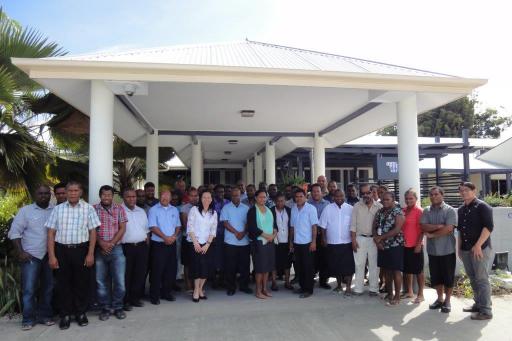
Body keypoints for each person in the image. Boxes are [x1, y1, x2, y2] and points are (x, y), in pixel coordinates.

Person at [46, 181, 99, 330]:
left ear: (81, 192)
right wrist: (51, 256)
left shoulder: (88, 209)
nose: (73, 193)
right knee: (63, 284)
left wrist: (90, 253)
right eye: (70, 191)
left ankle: (80, 313)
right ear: (66, 192)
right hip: (61, 251)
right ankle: (65, 315)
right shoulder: (58, 209)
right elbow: (51, 233)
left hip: (81, 250)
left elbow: (93, 232)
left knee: (81, 283)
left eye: (76, 190)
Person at [8, 185, 54, 330]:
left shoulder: (55, 210)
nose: (44, 196)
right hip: (31, 256)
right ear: (35, 194)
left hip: (50, 256)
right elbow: (14, 233)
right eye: (41, 193)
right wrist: (20, 252)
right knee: (29, 289)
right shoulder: (25, 211)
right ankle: (28, 319)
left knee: (48, 288)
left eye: (47, 193)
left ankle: (44, 316)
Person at [457, 182, 494, 320]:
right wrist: (459, 249)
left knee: (481, 279)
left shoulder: (483, 206)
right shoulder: (461, 209)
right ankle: (478, 304)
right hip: (466, 249)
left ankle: (486, 311)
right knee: (473, 278)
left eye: (466, 190)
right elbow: (460, 231)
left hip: (480, 249)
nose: (463, 193)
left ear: (474, 191)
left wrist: (478, 245)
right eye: (461, 191)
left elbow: (488, 227)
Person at [420, 186, 458, 313]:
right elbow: (423, 226)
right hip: (432, 251)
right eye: (431, 194)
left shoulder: (450, 210)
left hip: (447, 250)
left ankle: (447, 301)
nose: (433, 196)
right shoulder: (426, 211)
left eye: (436, 194)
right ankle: (440, 299)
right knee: (436, 277)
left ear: (442, 195)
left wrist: (433, 234)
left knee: (448, 277)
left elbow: (449, 229)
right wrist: (438, 226)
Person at [93, 185, 127, 321]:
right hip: (99, 249)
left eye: (109, 195)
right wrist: (101, 243)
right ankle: (105, 308)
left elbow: (122, 228)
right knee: (101, 281)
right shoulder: (93, 209)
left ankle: (118, 307)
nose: (106, 197)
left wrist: (111, 243)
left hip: (116, 249)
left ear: (113, 196)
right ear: (100, 196)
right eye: (104, 195)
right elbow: (91, 229)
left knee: (120, 281)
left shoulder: (119, 208)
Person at [148, 190, 181, 305]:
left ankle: (166, 293)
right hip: (158, 244)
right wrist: (165, 237)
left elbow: (178, 225)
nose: (164, 198)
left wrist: (174, 236)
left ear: (171, 198)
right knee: (157, 271)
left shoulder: (175, 210)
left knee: (170, 270)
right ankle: (154, 296)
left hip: (171, 243)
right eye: (162, 196)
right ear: (160, 197)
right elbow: (152, 226)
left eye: (167, 197)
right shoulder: (153, 210)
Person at [319, 189, 354, 296]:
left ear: (345, 196)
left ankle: (348, 287)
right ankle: (339, 286)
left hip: (347, 243)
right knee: (336, 266)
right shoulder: (328, 208)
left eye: (341, 196)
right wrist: (324, 238)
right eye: (337, 196)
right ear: (333, 197)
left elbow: (354, 226)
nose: (339, 198)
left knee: (348, 267)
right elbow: (323, 226)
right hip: (333, 243)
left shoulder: (351, 209)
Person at [351, 183, 382, 296]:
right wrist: (353, 241)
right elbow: (353, 225)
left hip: (375, 240)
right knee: (359, 264)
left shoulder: (379, 207)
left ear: (372, 192)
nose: (366, 195)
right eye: (363, 193)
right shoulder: (356, 206)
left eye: (368, 192)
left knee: (374, 265)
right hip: (360, 238)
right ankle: (358, 288)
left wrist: (380, 240)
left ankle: (373, 289)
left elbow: (381, 226)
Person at [373, 192, 404, 306]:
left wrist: (381, 237)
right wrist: (377, 240)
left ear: (393, 200)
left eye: (387, 199)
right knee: (386, 271)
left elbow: (397, 230)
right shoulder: (380, 212)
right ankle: (389, 294)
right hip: (382, 246)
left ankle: (397, 297)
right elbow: (374, 227)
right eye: (383, 200)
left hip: (395, 246)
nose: (385, 201)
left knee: (396, 271)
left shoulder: (398, 212)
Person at [121, 188, 150, 311]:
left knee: (139, 273)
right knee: (126, 274)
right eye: (128, 196)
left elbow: (147, 230)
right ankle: (125, 300)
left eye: (133, 196)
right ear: (124, 198)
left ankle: (135, 298)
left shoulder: (141, 211)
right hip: (126, 247)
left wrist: (147, 243)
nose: (132, 199)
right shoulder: (119, 210)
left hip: (141, 247)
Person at [220, 188, 252, 296]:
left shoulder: (246, 208)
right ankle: (231, 287)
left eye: (237, 195)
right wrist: (236, 233)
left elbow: (249, 223)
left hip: (244, 242)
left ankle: (244, 286)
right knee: (230, 267)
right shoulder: (226, 208)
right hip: (230, 242)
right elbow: (225, 223)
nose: (235, 197)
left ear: (240, 196)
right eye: (233, 195)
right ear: (231, 196)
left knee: (245, 266)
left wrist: (243, 233)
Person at [187, 191, 217, 302]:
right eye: (204, 197)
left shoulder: (213, 213)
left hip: (207, 244)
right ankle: (196, 290)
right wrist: (196, 243)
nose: (206, 199)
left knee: (206, 268)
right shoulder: (194, 210)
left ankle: (200, 289)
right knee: (196, 268)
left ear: (211, 199)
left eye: (208, 197)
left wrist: (207, 245)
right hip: (194, 243)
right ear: (200, 198)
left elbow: (213, 230)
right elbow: (190, 227)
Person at [248, 190, 277, 299]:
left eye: (264, 197)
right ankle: (258, 291)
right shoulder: (252, 211)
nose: (262, 199)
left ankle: (265, 289)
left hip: (270, 242)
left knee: (267, 267)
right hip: (259, 242)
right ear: (256, 198)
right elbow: (252, 228)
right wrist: (266, 236)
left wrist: (273, 235)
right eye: (260, 197)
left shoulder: (270, 210)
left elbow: (275, 225)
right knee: (260, 268)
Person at [290, 188, 319, 298]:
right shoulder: (293, 209)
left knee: (308, 267)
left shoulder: (311, 209)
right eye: (296, 197)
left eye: (301, 196)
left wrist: (314, 242)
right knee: (299, 267)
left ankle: (309, 289)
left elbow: (314, 227)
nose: (298, 198)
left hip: (308, 243)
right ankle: (302, 287)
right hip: (297, 243)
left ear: (305, 197)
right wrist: (291, 242)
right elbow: (292, 227)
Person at [401, 188, 425, 304]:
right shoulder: (403, 210)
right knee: (407, 270)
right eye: (407, 198)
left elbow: (422, 230)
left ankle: (420, 294)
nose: (408, 200)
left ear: (416, 199)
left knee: (418, 270)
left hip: (416, 245)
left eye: (411, 198)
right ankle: (409, 292)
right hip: (404, 245)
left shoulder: (419, 211)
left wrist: (418, 244)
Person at [308, 183, 330, 289]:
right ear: (311, 193)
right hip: (311, 236)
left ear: (322, 192)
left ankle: (323, 281)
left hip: (323, 235)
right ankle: (310, 279)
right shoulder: (307, 204)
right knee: (311, 259)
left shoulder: (327, 204)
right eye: (313, 191)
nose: (316, 193)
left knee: (324, 258)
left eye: (318, 191)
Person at [271, 193, 293, 290]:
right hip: (275, 241)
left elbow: (292, 226)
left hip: (287, 240)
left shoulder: (289, 210)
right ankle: (274, 282)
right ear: (275, 201)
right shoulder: (271, 211)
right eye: (278, 201)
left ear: (285, 201)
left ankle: (287, 282)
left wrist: (291, 242)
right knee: (274, 263)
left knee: (287, 263)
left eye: (282, 200)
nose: (280, 202)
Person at [180, 187, 199, 292]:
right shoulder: (184, 208)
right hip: (187, 239)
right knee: (187, 263)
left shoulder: (202, 207)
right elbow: (186, 225)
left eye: (196, 195)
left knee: (197, 262)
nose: (194, 198)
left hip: (199, 239)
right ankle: (188, 285)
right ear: (188, 196)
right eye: (191, 195)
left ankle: (197, 285)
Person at [210, 184, 230, 288]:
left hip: (227, 235)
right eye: (218, 192)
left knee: (225, 258)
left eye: (222, 192)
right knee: (215, 258)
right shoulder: (211, 203)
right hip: (215, 235)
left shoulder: (228, 202)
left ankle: (223, 280)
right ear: (215, 193)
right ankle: (214, 281)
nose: (221, 194)